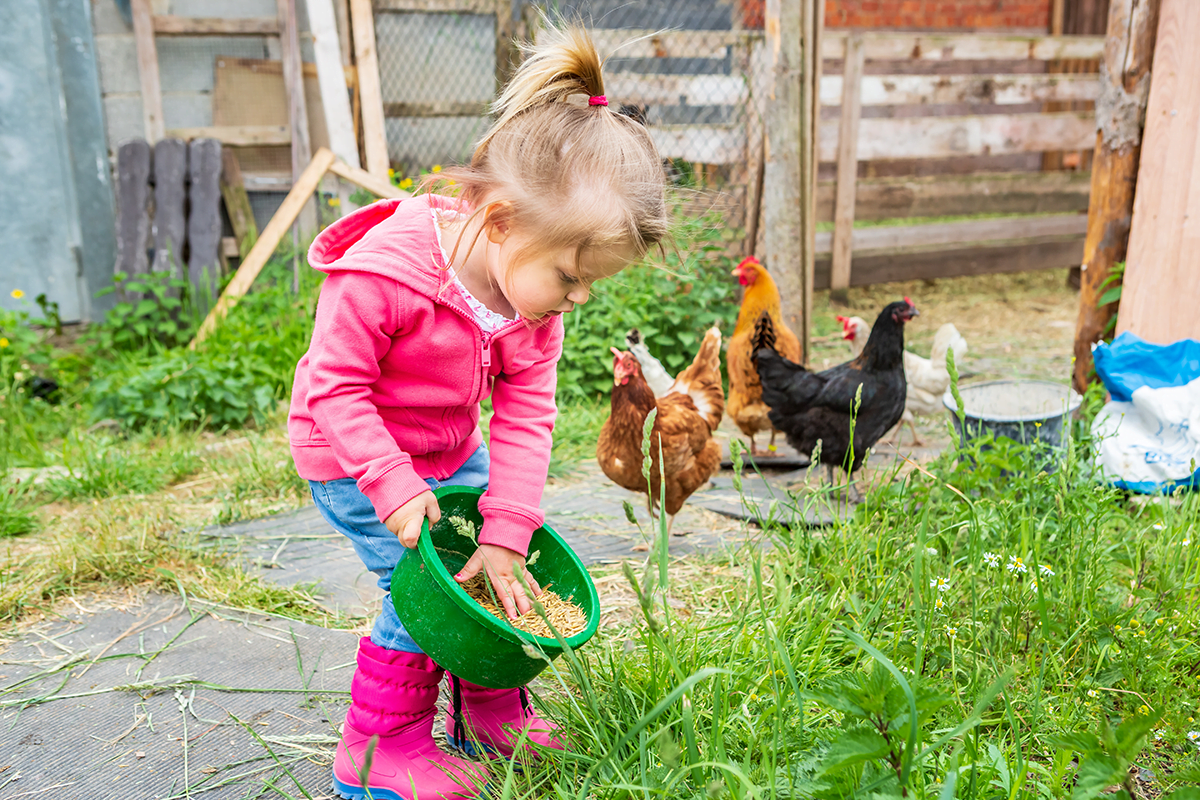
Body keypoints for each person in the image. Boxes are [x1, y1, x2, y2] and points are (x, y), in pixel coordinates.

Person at [287, 23, 668, 800]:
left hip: (447, 449)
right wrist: (391, 483)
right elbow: (334, 390)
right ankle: (379, 748)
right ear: (497, 222)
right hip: (356, 456)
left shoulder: (533, 310)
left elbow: (527, 418)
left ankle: (489, 718)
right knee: (423, 591)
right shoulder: (384, 278)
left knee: (496, 569)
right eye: (570, 275)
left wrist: (509, 527)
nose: (580, 296)